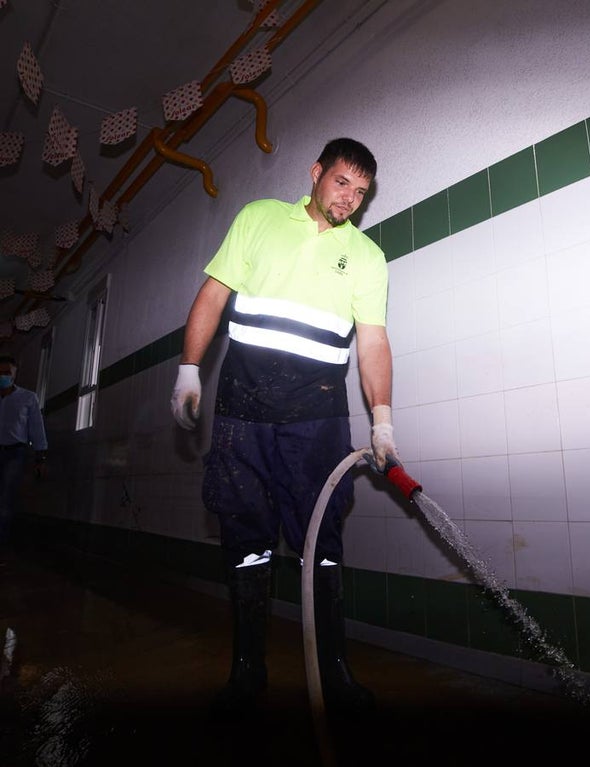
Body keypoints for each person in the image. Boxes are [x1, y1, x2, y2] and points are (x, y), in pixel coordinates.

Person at [170, 138, 398, 716]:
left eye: (361, 192)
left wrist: (382, 418)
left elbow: (372, 341)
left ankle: (335, 673)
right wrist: (188, 370)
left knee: (321, 542)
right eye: (342, 182)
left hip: (317, 418)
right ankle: (247, 672)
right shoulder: (259, 219)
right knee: (245, 541)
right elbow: (213, 295)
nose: (350, 199)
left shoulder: (368, 257)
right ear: (317, 172)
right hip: (242, 412)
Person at [0, 354, 48, 551]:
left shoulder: (28, 398)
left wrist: (40, 456)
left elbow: (36, 428)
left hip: (14, 453)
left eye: (6, 373)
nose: (3, 376)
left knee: (5, 497)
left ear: (14, 374)